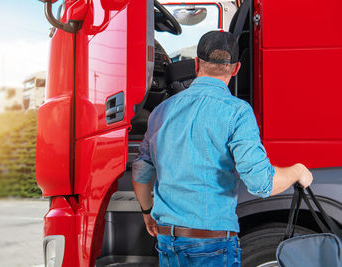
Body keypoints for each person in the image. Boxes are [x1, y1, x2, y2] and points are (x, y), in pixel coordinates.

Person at [131, 31, 313, 267]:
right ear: (236, 68)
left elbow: (140, 170)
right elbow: (261, 183)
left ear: (196, 64)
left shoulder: (161, 111)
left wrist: (148, 211)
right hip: (211, 244)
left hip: (168, 240)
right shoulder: (237, 111)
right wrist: (297, 171)